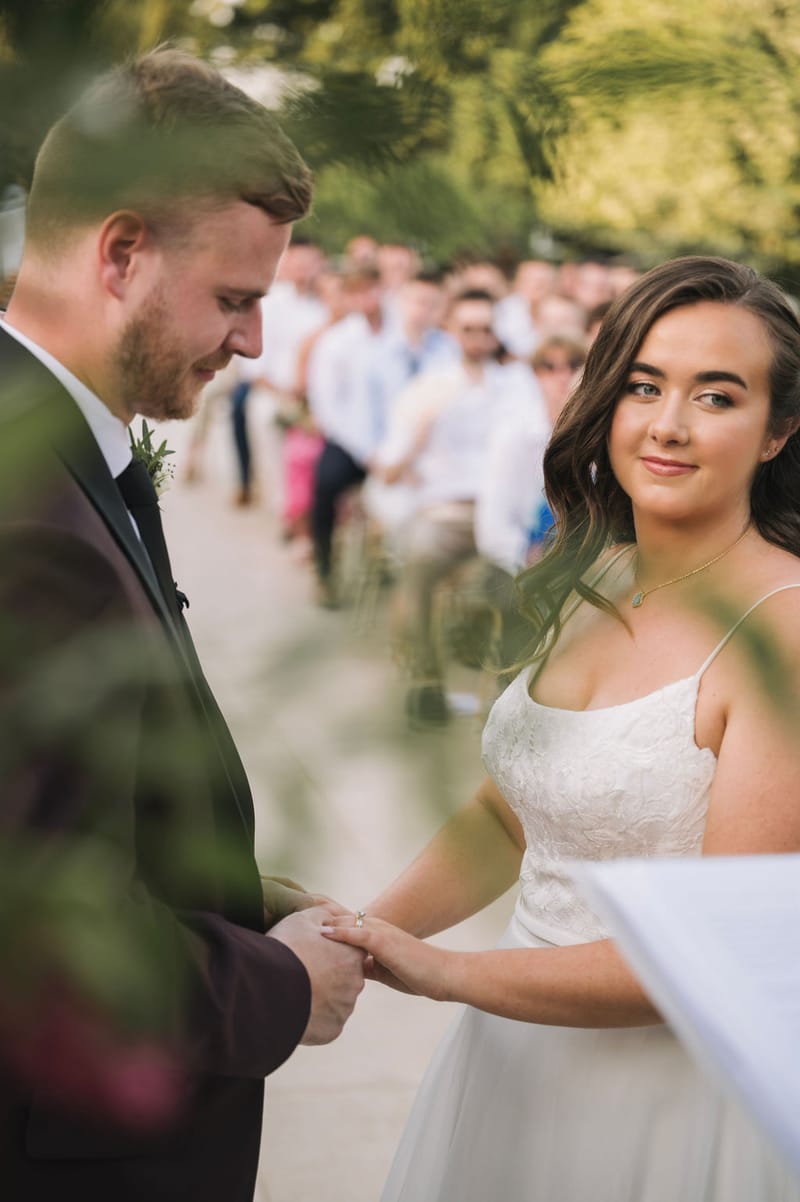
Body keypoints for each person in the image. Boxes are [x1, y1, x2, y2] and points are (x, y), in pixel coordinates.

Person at [322, 256, 800, 1200]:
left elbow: (716, 954)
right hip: (507, 1064)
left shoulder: (781, 632)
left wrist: (447, 972)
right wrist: (365, 932)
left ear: (779, 432)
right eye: (643, 386)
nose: (667, 424)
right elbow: (510, 817)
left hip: (666, 1105)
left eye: (717, 396)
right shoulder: (596, 572)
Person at [0, 49, 364, 1202]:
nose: (253, 343)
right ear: (120, 252)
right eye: (235, 298)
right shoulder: (28, 520)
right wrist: (280, 986)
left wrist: (238, 894)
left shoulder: (59, 446)